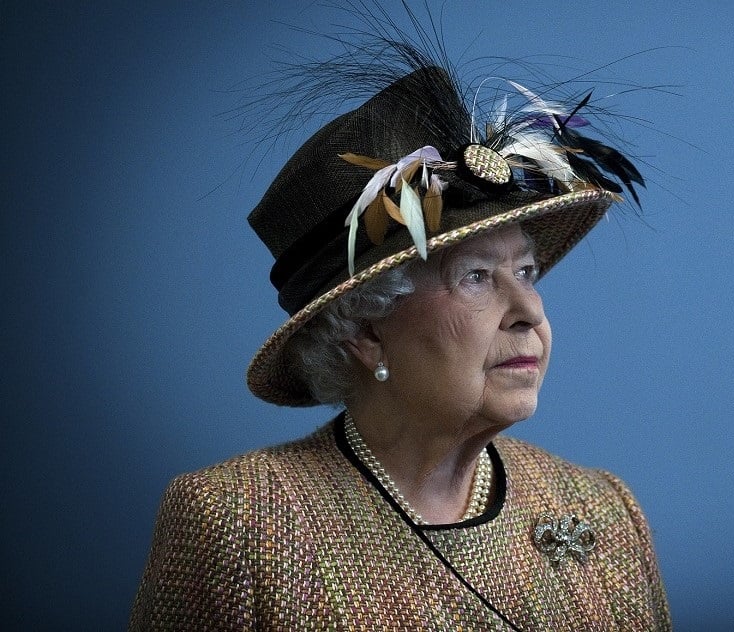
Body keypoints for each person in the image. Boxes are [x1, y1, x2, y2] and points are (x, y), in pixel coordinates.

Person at [129, 22, 669, 632]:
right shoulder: (238, 523)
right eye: (475, 277)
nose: (530, 310)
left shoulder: (605, 514)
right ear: (365, 329)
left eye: (527, 271)